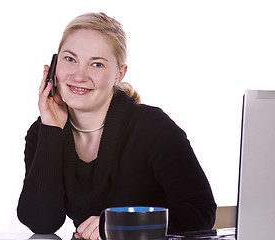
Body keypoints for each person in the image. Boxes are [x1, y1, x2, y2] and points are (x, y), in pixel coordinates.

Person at [17, 12, 216, 240]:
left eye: (97, 64)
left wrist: (123, 225)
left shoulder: (152, 128)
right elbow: (41, 222)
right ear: (53, 66)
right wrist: (51, 131)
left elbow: (201, 212)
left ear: (119, 74)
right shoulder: (43, 131)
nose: (79, 75)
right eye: (70, 59)